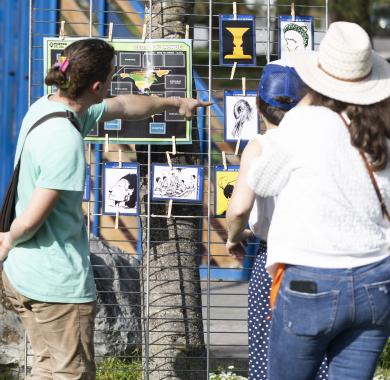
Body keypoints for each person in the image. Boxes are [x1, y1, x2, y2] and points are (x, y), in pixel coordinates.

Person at [0, 38, 210, 379]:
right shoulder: (64, 139)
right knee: (73, 373)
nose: (114, 84)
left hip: (23, 275)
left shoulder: (46, 109)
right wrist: (9, 238)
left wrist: (174, 103)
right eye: (112, 76)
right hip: (55, 283)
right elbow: (35, 216)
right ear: (97, 86)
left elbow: (124, 106)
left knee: (45, 366)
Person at [246, 22, 390, 380]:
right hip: (378, 276)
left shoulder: (303, 124)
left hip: (311, 276)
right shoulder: (382, 130)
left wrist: (306, 103)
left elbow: (261, 181)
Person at [226, 60, 328, 380]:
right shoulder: (319, 142)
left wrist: (233, 236)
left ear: (257, 105)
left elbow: (239, 208)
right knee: (317, 350)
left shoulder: (259, 147)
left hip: (273, 257)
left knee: (267, 348)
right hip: (319, 256)